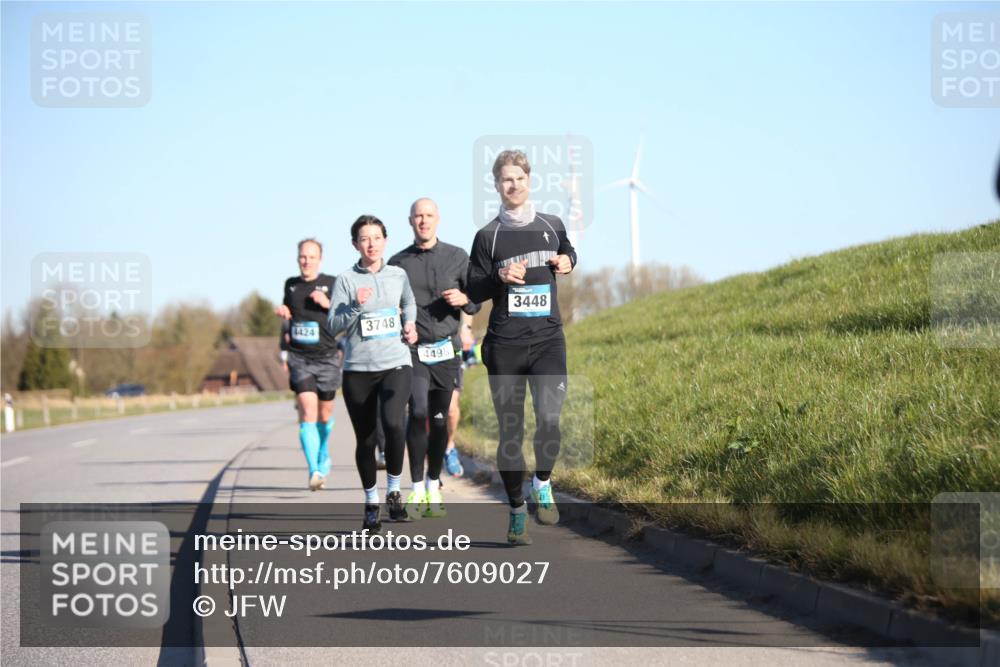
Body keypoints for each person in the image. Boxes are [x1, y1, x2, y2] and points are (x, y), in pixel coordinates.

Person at [466, 150, 577, 545]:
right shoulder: (487, 236)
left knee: (549, 418)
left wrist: (568, 261)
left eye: (519, 178)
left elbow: (568, 252)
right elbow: (472, 293)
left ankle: (542, 483)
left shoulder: (552, 224)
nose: (513, 185)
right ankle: (515, 510)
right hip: (506, 345)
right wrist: (497, 276)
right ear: (496, 185)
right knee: (511, 433)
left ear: (530, 181)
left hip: (547, 340)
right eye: (505, 180)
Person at [389, 198, 479, 520]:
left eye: (428, 215)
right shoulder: (397, 263)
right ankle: (415, 489)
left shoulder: (457, 257)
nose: (423, 221)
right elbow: (389, 306)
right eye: (418, 216)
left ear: (438, 219)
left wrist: (465, 298)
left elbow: (475, 303)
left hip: (446, 350)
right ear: (410, 221)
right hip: (413, 350)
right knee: (419, 412)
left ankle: (432, 482)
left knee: (440, 420)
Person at [329, 215, 417, 532]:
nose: (371, 244)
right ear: (355, 244)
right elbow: (333, 325)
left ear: (385, 241)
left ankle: (394, 491)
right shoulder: (345, 281)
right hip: (358, 370)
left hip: (396, 362)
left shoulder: (398, 275)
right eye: (365, 239)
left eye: (377, 237)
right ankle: (370, 502)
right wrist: (353, 305)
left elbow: (409, 303)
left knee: (395, 424)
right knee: (365, 439)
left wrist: (409, 323)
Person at [275, 238, 342, 491]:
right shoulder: (291, 285)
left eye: (311, 257)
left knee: (325, 415)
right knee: (307, 410)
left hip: (326, 357)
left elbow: (344, 314)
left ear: (320, 259)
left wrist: (328, 304)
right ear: (297, 258)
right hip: (300, 357)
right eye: (303, 256)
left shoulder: (332, 283)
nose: (306, 261)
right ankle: (314, 469)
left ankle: (323, 453)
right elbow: (289, 315)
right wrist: (284, 312)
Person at [443, 313, 475, 477]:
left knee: (450, 408)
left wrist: (466, 328)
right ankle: (430, 473)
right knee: (424, 410)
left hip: (452, 346)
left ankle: (449, 447)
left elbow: (468, 303)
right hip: (422, 344)